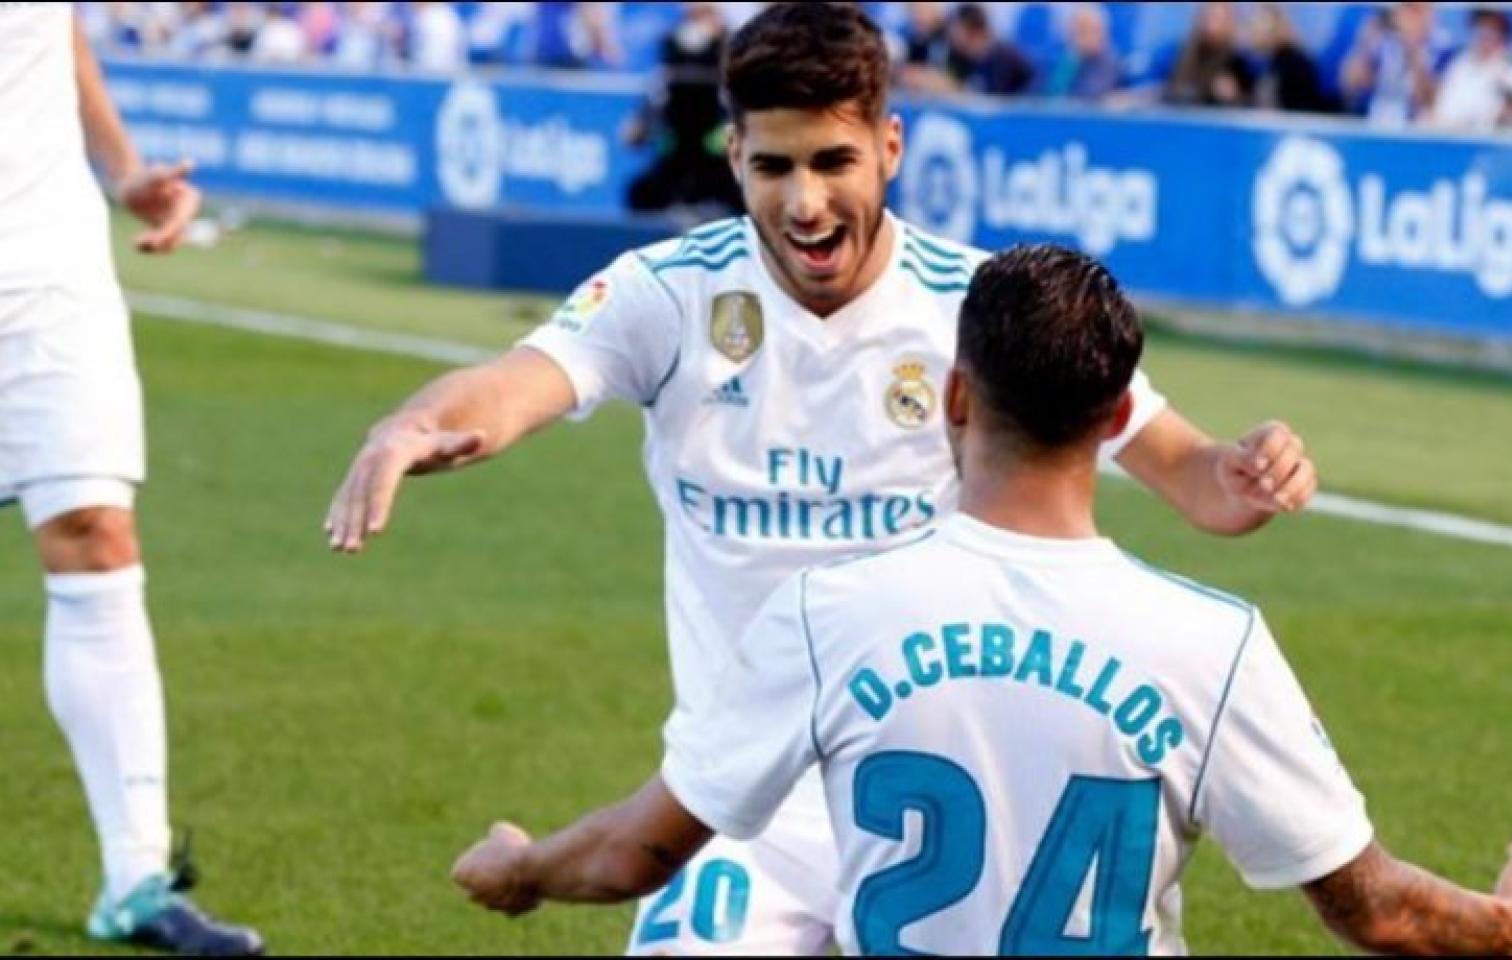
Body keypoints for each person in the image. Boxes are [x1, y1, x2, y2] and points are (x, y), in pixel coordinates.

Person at [327, 4, 1317, 954]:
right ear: (733, 157)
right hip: (744, 790)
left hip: (935, 772)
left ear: (888, 146)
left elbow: (1194, 480)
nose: (804, 202)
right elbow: (514, 385)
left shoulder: (975, 305)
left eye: (832, 161)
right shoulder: (666, 293)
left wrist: (1247, 469)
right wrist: (415, 423)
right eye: (773, 166)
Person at [451, 243, 1512, 956]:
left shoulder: (826, 615)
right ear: (1109, 419)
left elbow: (631, 859)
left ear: (951, 396)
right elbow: (1373, 908)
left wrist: (517, 868)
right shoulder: (1211, 643)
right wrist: (1507, 916)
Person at [0, 5, 263, 955]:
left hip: (46, 268)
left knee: (95, 533)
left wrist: (121, 168)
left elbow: (48, 30)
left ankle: (135, 878)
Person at [622, 2, 742, 215]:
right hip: (673, 166)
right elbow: (632, 136)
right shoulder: (667, 63)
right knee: (639, 192)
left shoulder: (733, 59)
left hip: (718, 170)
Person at [1426, 7, 1512, 132]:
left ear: (1503, 38)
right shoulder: (1459, 65)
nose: (1485, 39)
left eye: (1492, 32)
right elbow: (1442, 115)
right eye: (1480, 30)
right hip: (1455, 149)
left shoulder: (1511, 74)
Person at [1339, 1, 1447, 126]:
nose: (1407, 17)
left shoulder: (1442, 48)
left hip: (1415, 129)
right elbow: (1349, 87)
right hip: (1373, 122)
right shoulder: (1384, 41)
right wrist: (1365, 41)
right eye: (1405, 8)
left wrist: (1412, 47)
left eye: (1414, 10)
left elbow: (1430, 102)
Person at [1249, 2, 1338, 114]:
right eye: (1256, 27)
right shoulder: (1253, 63)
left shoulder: (1295, 63)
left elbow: (1304, 109)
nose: (1259, 33)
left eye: (1265, 28)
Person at [1164, 0, 1256, 108]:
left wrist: (1234, 97)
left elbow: (1254, 106)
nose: (1212, 26)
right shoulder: (1184, 53)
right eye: (1209, 18)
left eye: (1219, 20)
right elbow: (1172, 89)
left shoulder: (1240, 60)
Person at [944, 2, 1035, 97]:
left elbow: (996, 100)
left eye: (956, 29)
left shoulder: (1005, 58)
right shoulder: (961, 57)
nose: (951, 34)